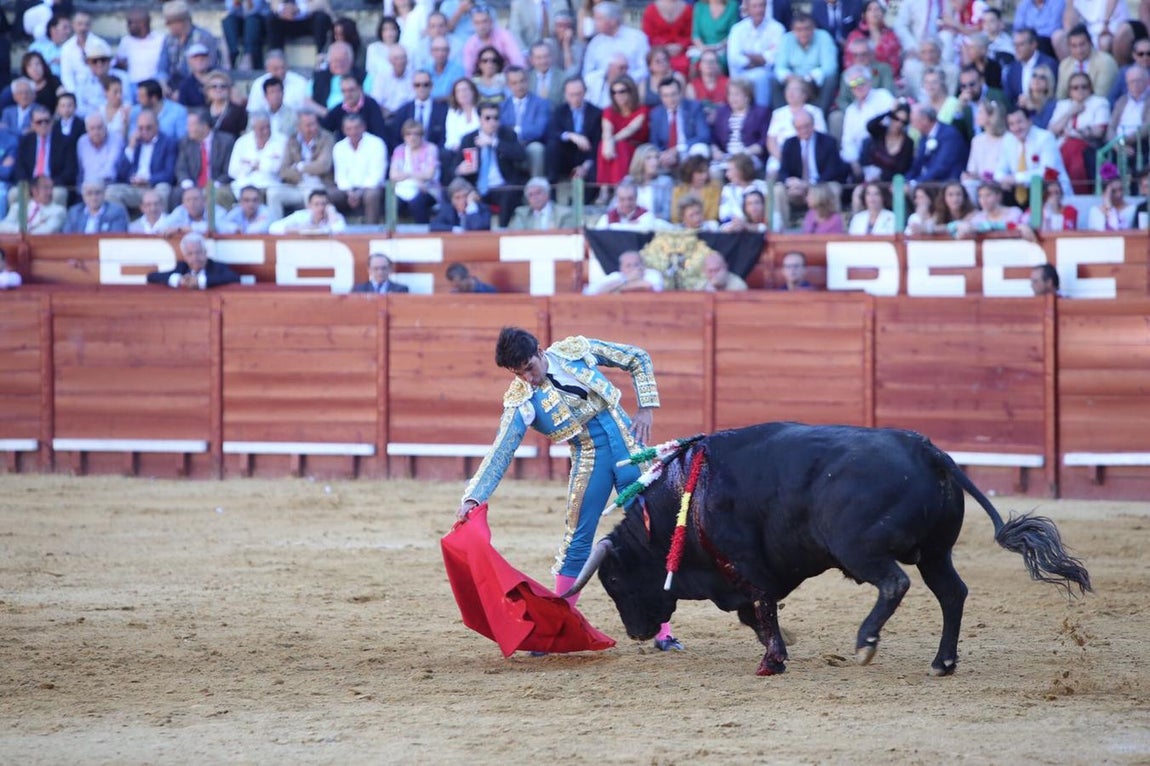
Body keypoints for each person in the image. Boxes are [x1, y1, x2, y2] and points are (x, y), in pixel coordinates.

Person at [456, 327, 681, 649]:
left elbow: (637, 357)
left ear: (540, 351)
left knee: (653, 535)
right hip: (591, 461)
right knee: (576, 542)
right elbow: (501, 451)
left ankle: (664, 632)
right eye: (519, 374)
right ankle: (556, 630)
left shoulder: (576, 350)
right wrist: (474, 495)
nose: (528, 379)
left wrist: (646, 407)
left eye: (529, 368)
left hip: (631, 449)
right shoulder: (521, 400)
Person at [456, 101, 528, 228]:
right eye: (487, 118)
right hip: (477, 189)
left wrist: (494, 142)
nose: (492, 122)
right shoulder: (468, 139)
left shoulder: (507, 134)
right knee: (460, 193)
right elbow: (453, 168)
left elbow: (520, 155)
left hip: (502, 187)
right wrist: (459, 169)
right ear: (480, 119)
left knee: (509, 193)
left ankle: (502, 230)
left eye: (496, 118)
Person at [1050, 71, 1110, 193]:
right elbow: (1051, 130)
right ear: (1069, 91)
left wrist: (1072, 133)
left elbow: (1098, 131)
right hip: (1062, 147)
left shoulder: (1099, 102)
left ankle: (1077, 191)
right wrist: (1070, 113)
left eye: (1084, 86)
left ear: (1090, 88)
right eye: (1075, 88)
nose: (1080, 90)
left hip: (1088, 148)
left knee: (1072, 146)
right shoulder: (1063, 105)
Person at [329, 112, 386, 225]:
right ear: (344, 130)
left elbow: (376, 176)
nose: (353, 132)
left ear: (363, 127)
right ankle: (335, 230)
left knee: (371, 195)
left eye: (356, 128)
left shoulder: (376, 143)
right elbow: (340, 176)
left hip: (371, 188)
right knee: (328, 194)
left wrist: (359, 193)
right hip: (348, 190)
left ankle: (371, 232)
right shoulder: (339, 147)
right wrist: (350, 193)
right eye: (349, 129)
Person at [147, 232, 240, 290]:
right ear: (185, 257)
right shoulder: (182, 268)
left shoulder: (217, 267)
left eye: (198, 252)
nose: (195, 257)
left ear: (205, 253)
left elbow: (235, 278)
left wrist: (200, 281)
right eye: (190, 254)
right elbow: (151, 277)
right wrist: (179, 279)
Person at [906, 103, 968, 184]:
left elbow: (941, 166)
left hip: (946, 184)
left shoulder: (949, 135)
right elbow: (917, 165)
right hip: (926, 184)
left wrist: (916, 183)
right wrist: (906, 182)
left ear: (925, 120)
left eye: (913, 121)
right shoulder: (923, 137)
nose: (912, 126)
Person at [266, 0, 333, 62]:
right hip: (286, 20)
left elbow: (321, 2)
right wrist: (283, 8)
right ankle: (276, 58)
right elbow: (274, 3)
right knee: (271, 18)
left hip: (309, 20)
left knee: (321, 18)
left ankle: (321, 58)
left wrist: (300, 9)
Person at [0, 174, 65, 233]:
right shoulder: (18, 207)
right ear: (34, 190)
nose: (50, 192)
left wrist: (23, 232)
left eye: (51, 188)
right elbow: (2, 226)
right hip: (16, 243)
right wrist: (22, 229)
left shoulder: (58, 211)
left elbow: (46, 232)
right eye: (46, 188)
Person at [268, 186, 346, 234]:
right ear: (309, 206)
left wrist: (331, 213)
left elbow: (338, 230)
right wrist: (299, 230)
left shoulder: (335, 216)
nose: (321, 207)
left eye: (324, 204)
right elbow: (273, 228)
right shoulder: (301, 216)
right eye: (317, 204)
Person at [508, 177, 578, 230]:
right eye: (530, 195)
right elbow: (517, 235)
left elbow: (567, 238)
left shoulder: (564, 213)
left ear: (547, 194)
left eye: (538, 193)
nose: (534, 197)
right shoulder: (521, 213)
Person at [63, 181, 130, 233]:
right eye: (89, 193)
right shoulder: (75, 212)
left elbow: (116, 238)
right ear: (83, 196)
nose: (93, 198)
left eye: (97, 193)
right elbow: (67, 237)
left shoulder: (116, 211)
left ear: (104, 194)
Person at [585, 249, 664, 293]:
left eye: (636, 264)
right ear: (621, 268)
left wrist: (615, 289)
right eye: (628, 265)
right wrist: (627, 279)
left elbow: (650, 286)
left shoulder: (651, 274)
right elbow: (591, 291)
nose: (633, 268)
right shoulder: (616, 276)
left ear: (642, 265)